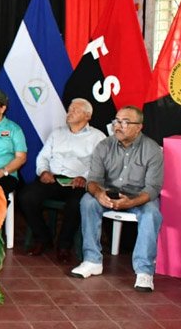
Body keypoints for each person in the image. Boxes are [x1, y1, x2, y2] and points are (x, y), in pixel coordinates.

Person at [70, 105, 163, 292]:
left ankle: (144, 271)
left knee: (152, 213)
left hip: (139, 196)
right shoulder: (104, 146)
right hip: (110, 193)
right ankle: (92, 260)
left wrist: (131, 202)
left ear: (139, 127)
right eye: (116, 121)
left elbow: (153, 189)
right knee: (88, 202)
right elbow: (92, 180)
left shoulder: (152, 149)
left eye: (125, 122)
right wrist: (99, 194)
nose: (118, 126)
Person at [18, 98, 106, 263]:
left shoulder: (97, 137)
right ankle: (43, 237)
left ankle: (64, 245)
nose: (70, 112)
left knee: (76, 204)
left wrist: (85, 177)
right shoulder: (57, 133)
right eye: (70, 108)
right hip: (54, 178)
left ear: (87, 116)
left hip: (79, 182)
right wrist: (43, 171)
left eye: (75, 110)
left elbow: (100, 165)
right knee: (25, 197)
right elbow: (43, 157)